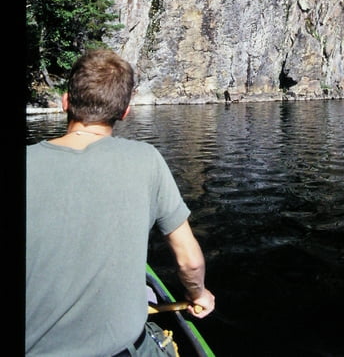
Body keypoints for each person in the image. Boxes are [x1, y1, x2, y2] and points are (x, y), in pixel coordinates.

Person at [26, 49, 215, 356]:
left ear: (65, 102)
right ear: (125, 111)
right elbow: (190, 261)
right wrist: (200, 294)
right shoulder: (147, 160)